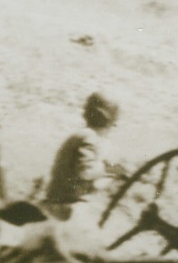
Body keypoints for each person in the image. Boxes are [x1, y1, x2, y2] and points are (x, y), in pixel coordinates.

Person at [43, 92, 120, 223]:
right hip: (66, 208)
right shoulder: (91, 139)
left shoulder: (81, 136)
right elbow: (85, 171)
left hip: (55, 200)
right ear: (108, 123)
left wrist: (111, 175)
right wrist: (109, 170)